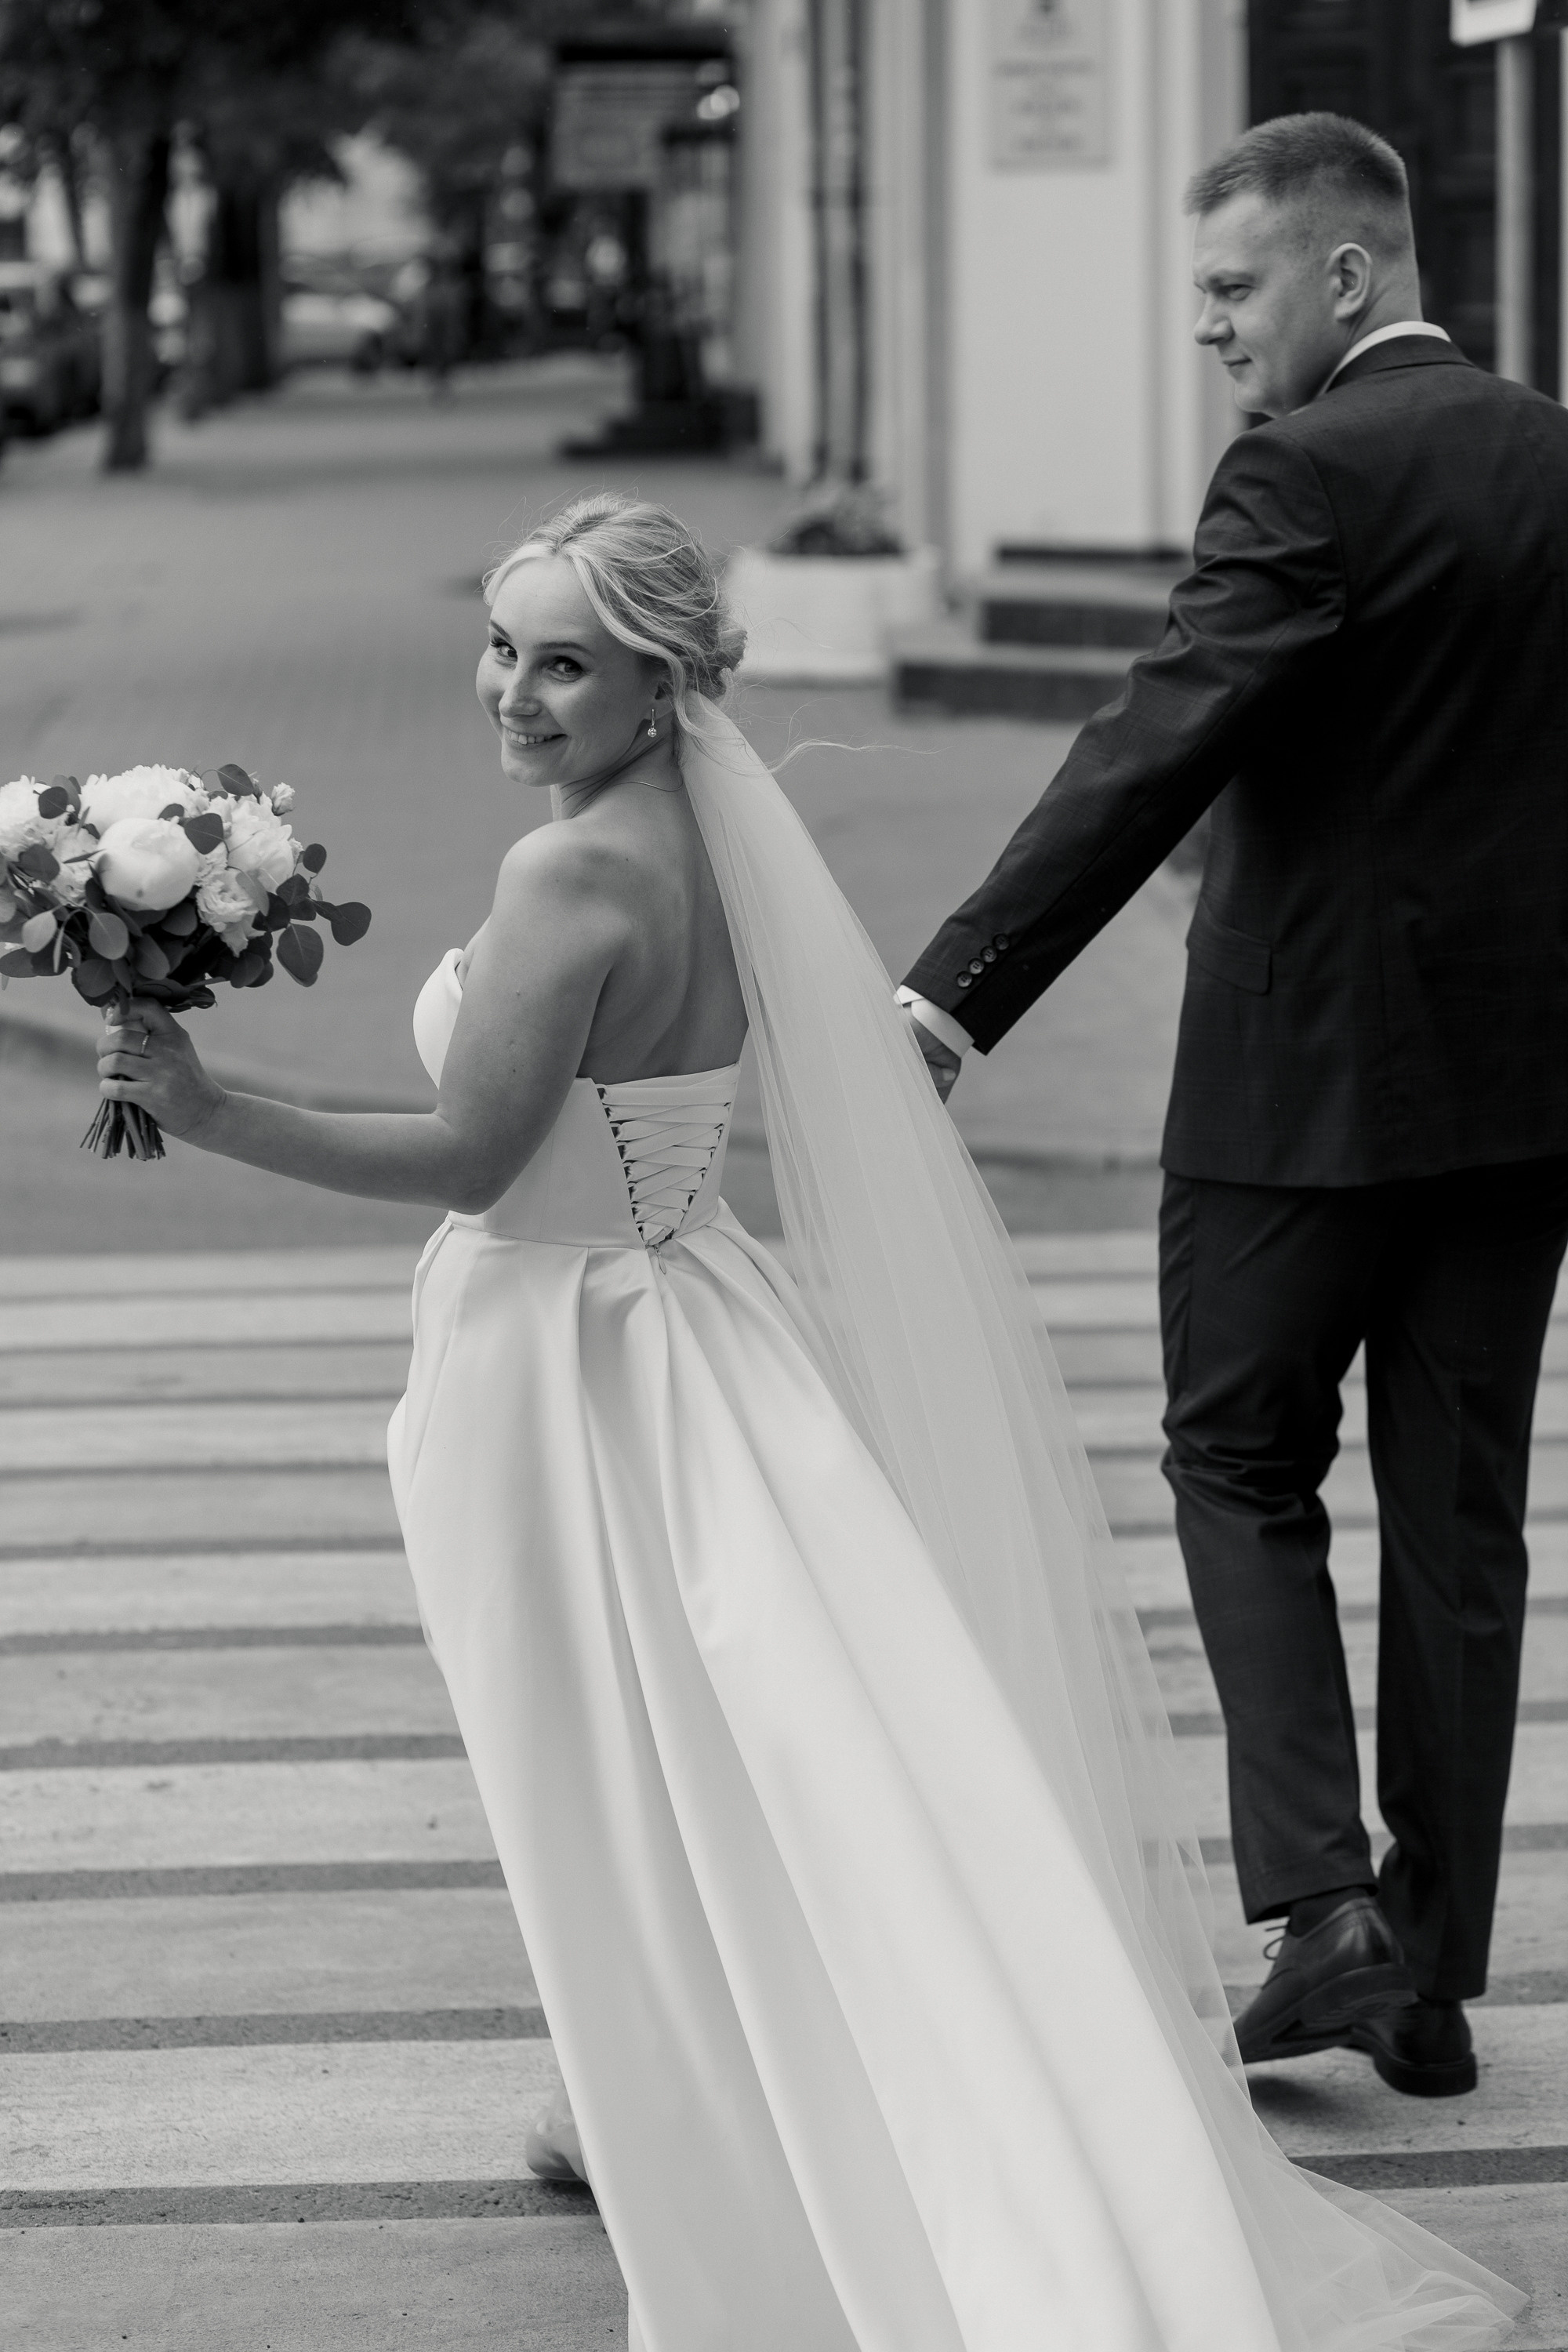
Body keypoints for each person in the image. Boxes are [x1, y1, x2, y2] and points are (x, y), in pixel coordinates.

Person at [98, 493, 1523, 2349]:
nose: (512, 693)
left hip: (577, 1373)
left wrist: (213, 1112)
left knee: (618, 1776)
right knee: (753, 1767)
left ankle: (705, 2124)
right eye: (502, 644)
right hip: (699, 1320)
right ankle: (689, 2097)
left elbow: (472, 1157)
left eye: (563, 663)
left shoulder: (568, 876)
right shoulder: (701, 829)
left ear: (657, 682)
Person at [902, 111, 1568, 2100]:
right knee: (1458, 1522)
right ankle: (1427, 1978)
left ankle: (1323, 1908)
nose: (1205, 328)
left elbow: (1159, 741)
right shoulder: (1555, 454)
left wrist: (954, 989)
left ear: (1345, 274)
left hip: (1297, 1088)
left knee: (1235, 1465)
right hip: (1524, 1097)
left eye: (1229, 286)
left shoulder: (1300, 467)